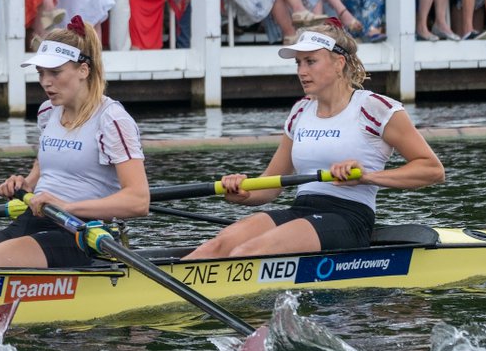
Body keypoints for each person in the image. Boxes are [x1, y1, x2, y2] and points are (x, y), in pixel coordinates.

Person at [183, 25, 444, 259]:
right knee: (214, 248)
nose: (302, 71)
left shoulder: (375, 108)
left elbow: (432, 169)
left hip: (349, 218)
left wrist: (367, 177)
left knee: (247, 253)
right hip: (301, 210)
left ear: (339, 63)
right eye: (298, 63)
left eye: (310, 61)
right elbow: (270, 185)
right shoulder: (300, 111)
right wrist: (243, 193)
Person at [0, 18, 149, 268]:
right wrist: (25, 183)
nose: (45, 82)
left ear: (83, 70)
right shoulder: (48, 111)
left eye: (55, 72)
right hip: (33, 220)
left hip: (81, 232)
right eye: (41, 73)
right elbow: (46, 168)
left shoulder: (112, 120)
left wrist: (67, 205)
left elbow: (138, 200)